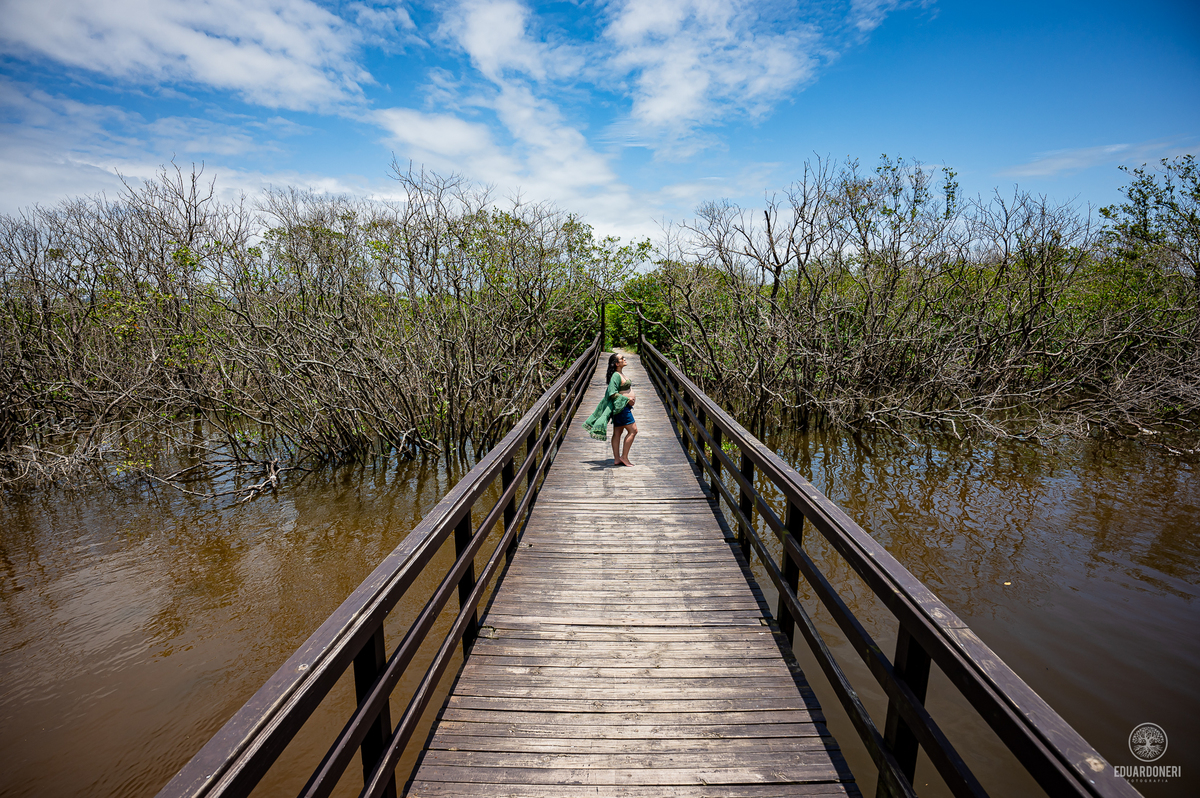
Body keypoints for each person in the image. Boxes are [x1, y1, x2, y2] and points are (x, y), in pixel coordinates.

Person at [582, 352, 638, 466]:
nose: (624, 359)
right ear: (617, 363)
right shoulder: (616, 376)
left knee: (618, 432)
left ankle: (617, 459)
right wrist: (627, 400)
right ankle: (624, 457)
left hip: (621, 408)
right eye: (622, 358)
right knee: (633, 431)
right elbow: (612, 393)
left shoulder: (619, 374)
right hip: (622, 408)